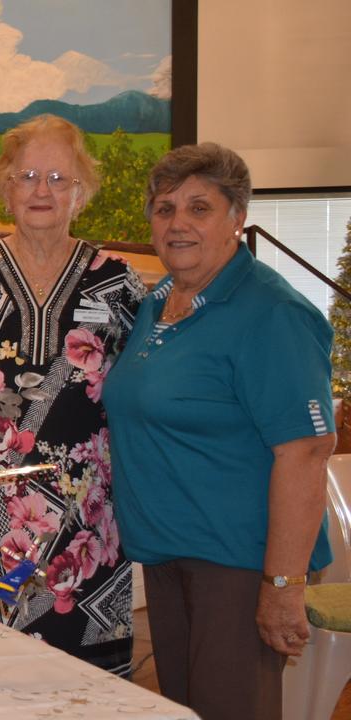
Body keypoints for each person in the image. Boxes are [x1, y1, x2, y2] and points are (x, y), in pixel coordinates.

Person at [104, 143, 334, 719]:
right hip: (170, 555)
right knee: (184, 711)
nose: (178, 222)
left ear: (238, 219)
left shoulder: (271, 313)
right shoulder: (160, 300)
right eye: (164, 208)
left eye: (200, 207)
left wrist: (283, 584)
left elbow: (307, 450)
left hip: (239, 565)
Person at [0, 115, 144, 674]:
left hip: (89, 528)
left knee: (89, 693)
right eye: (28, 175)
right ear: (4, 185)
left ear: (82, 191)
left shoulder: (119, 282)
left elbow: (142, 400)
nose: (42, 190)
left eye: (59, 177)